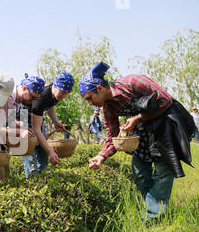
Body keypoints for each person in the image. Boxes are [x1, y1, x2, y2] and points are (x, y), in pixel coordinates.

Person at [80, 62, 196, 223]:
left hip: (166, 122)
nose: (90, 103)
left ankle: (151, 217)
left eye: (89, 98)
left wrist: (136, 118)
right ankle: (154, 207)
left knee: (163, 172)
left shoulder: (133, 82)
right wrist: (101, 156)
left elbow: (165, 100)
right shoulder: (109, 108)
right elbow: (113, 137)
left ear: (99, 88)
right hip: (143, 128)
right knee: (139, 171)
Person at [27, 73, 75, 178]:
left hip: (37, 117)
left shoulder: (55, 94)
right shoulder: (42, 97)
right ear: (55, 86)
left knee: (43, 159)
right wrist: (51, 151)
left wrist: (56, 122)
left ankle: (41, 181)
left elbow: (50, 106)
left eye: (67, 93)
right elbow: (36, 129)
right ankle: (31, 182)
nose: (64, 96)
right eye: (63, 92)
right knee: (31, 157)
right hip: (24, 119)